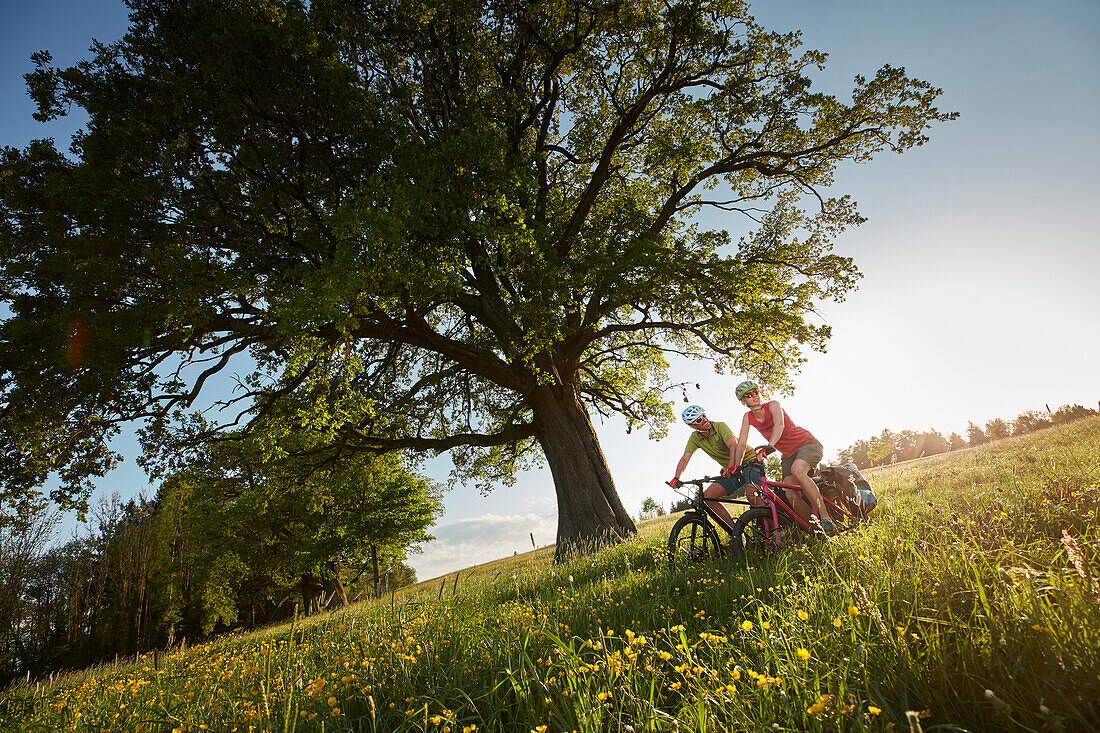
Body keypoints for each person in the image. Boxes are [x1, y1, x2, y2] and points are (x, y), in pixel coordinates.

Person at [729, 381, 838, 536]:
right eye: (748, 395)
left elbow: (779, 425)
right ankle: (815, 530)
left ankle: (827, 519)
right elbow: (741, 443)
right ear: (743, 401)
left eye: (755, 392)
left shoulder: (773, 405)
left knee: (798, 471)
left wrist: (769, 446)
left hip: (807, 444)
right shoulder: (748, 417)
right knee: (791, 494)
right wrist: (736, 466)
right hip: (788, 454)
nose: (754, 397)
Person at [668, 404, 753, 529]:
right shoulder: (695, 438)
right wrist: (676, 477)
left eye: (704, 415)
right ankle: (736, 533)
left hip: (750, 461)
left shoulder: (720, 426)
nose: (705, 419)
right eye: (699, 420)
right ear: (693, 426)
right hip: (731, 470)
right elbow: (685, 458)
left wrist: (730, 467)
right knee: (708, 498)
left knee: (753, 496)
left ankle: (778, 532)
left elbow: (733, 445)